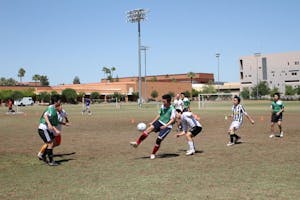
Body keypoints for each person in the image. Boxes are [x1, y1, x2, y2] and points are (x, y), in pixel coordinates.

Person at [130, 94, 176, 159]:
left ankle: (153, 154)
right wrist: (152, 122)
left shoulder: (172, 109)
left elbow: (172, 120)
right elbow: (159, 115)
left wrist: (165, 126)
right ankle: (137, 143)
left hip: (167, 126)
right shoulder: (163, 106)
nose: (163, 103)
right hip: (160, 122)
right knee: (148, 130)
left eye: (164, 101)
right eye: (162, 101)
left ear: (168, 101)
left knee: (158, 140)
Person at [37, 101, 61, 166]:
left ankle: (43, 155)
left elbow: (53, 124)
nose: (61, 107)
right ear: (57, 105)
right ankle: (50, 161)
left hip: (47, 129)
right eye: (60, 106)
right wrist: (49, 124)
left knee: (53, 142)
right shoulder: (51, 108)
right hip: (43, 129)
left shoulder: (55, 112)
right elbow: (45, 115)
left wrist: (55, 130)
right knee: (50, 144)